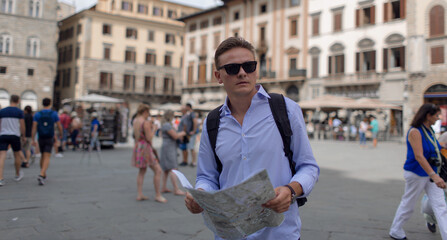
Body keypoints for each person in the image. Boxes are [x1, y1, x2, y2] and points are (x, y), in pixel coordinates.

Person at [184, 37, 320, 239]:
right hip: (230, 234)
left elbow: (309, 166)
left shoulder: (286, 110)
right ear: (218, 76)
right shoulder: (212, 122)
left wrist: (291, 190)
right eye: (232, 68)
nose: (242, 72)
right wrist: (200, 195)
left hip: (279, 234)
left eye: (249, 66)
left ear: (256, 70)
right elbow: (207, 176)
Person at [389, 103, 447, 240]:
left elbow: (438, 147)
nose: (438, 118)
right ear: (428, 116)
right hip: (417, 173)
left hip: (432, 172)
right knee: (408, 203)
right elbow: (419, 156)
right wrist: (434, 176)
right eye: (436, 115)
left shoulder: (430, 130)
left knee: (440, 205)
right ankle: (395, 230)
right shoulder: (415, 131)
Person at [132, 104, 166, 203]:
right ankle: (158, 195)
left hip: (138, 146)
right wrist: (154, 129)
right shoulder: (145, 122)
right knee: (158, 170)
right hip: (145, 148)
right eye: (148, 113)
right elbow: (149, 137)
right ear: (145, 112)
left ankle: (139, 194)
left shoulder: (135, 121)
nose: (149, 115)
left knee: (142, 171)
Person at [32, 98, 63, 186]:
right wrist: (61, 134)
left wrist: (33, 139)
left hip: (41, 137)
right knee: (47, 156)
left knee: (42, 155)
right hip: (49, 137)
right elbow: (59, 125)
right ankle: (42, 174)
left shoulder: (37, 114)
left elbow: (34, 127)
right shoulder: (53, 114)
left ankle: (43, 173)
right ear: (50, 104)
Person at [159, 110, 186, 195]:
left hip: (167, 147)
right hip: (169, 148)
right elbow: (174, 136)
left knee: (166, 169)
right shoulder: (167, 125)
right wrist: (182, 133)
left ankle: (163, 187)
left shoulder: (165, 124)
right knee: (173, 168)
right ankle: (176, 189)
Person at [0, 95, 25, 186]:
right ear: (18, 101)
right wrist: (23, 135)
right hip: (15, 135)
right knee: (17, 154)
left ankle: (0, 178)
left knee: (2, 156)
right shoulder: (19, 112)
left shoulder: (2, 111)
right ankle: (17, 174)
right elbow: (22, 125)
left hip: (3, 134)